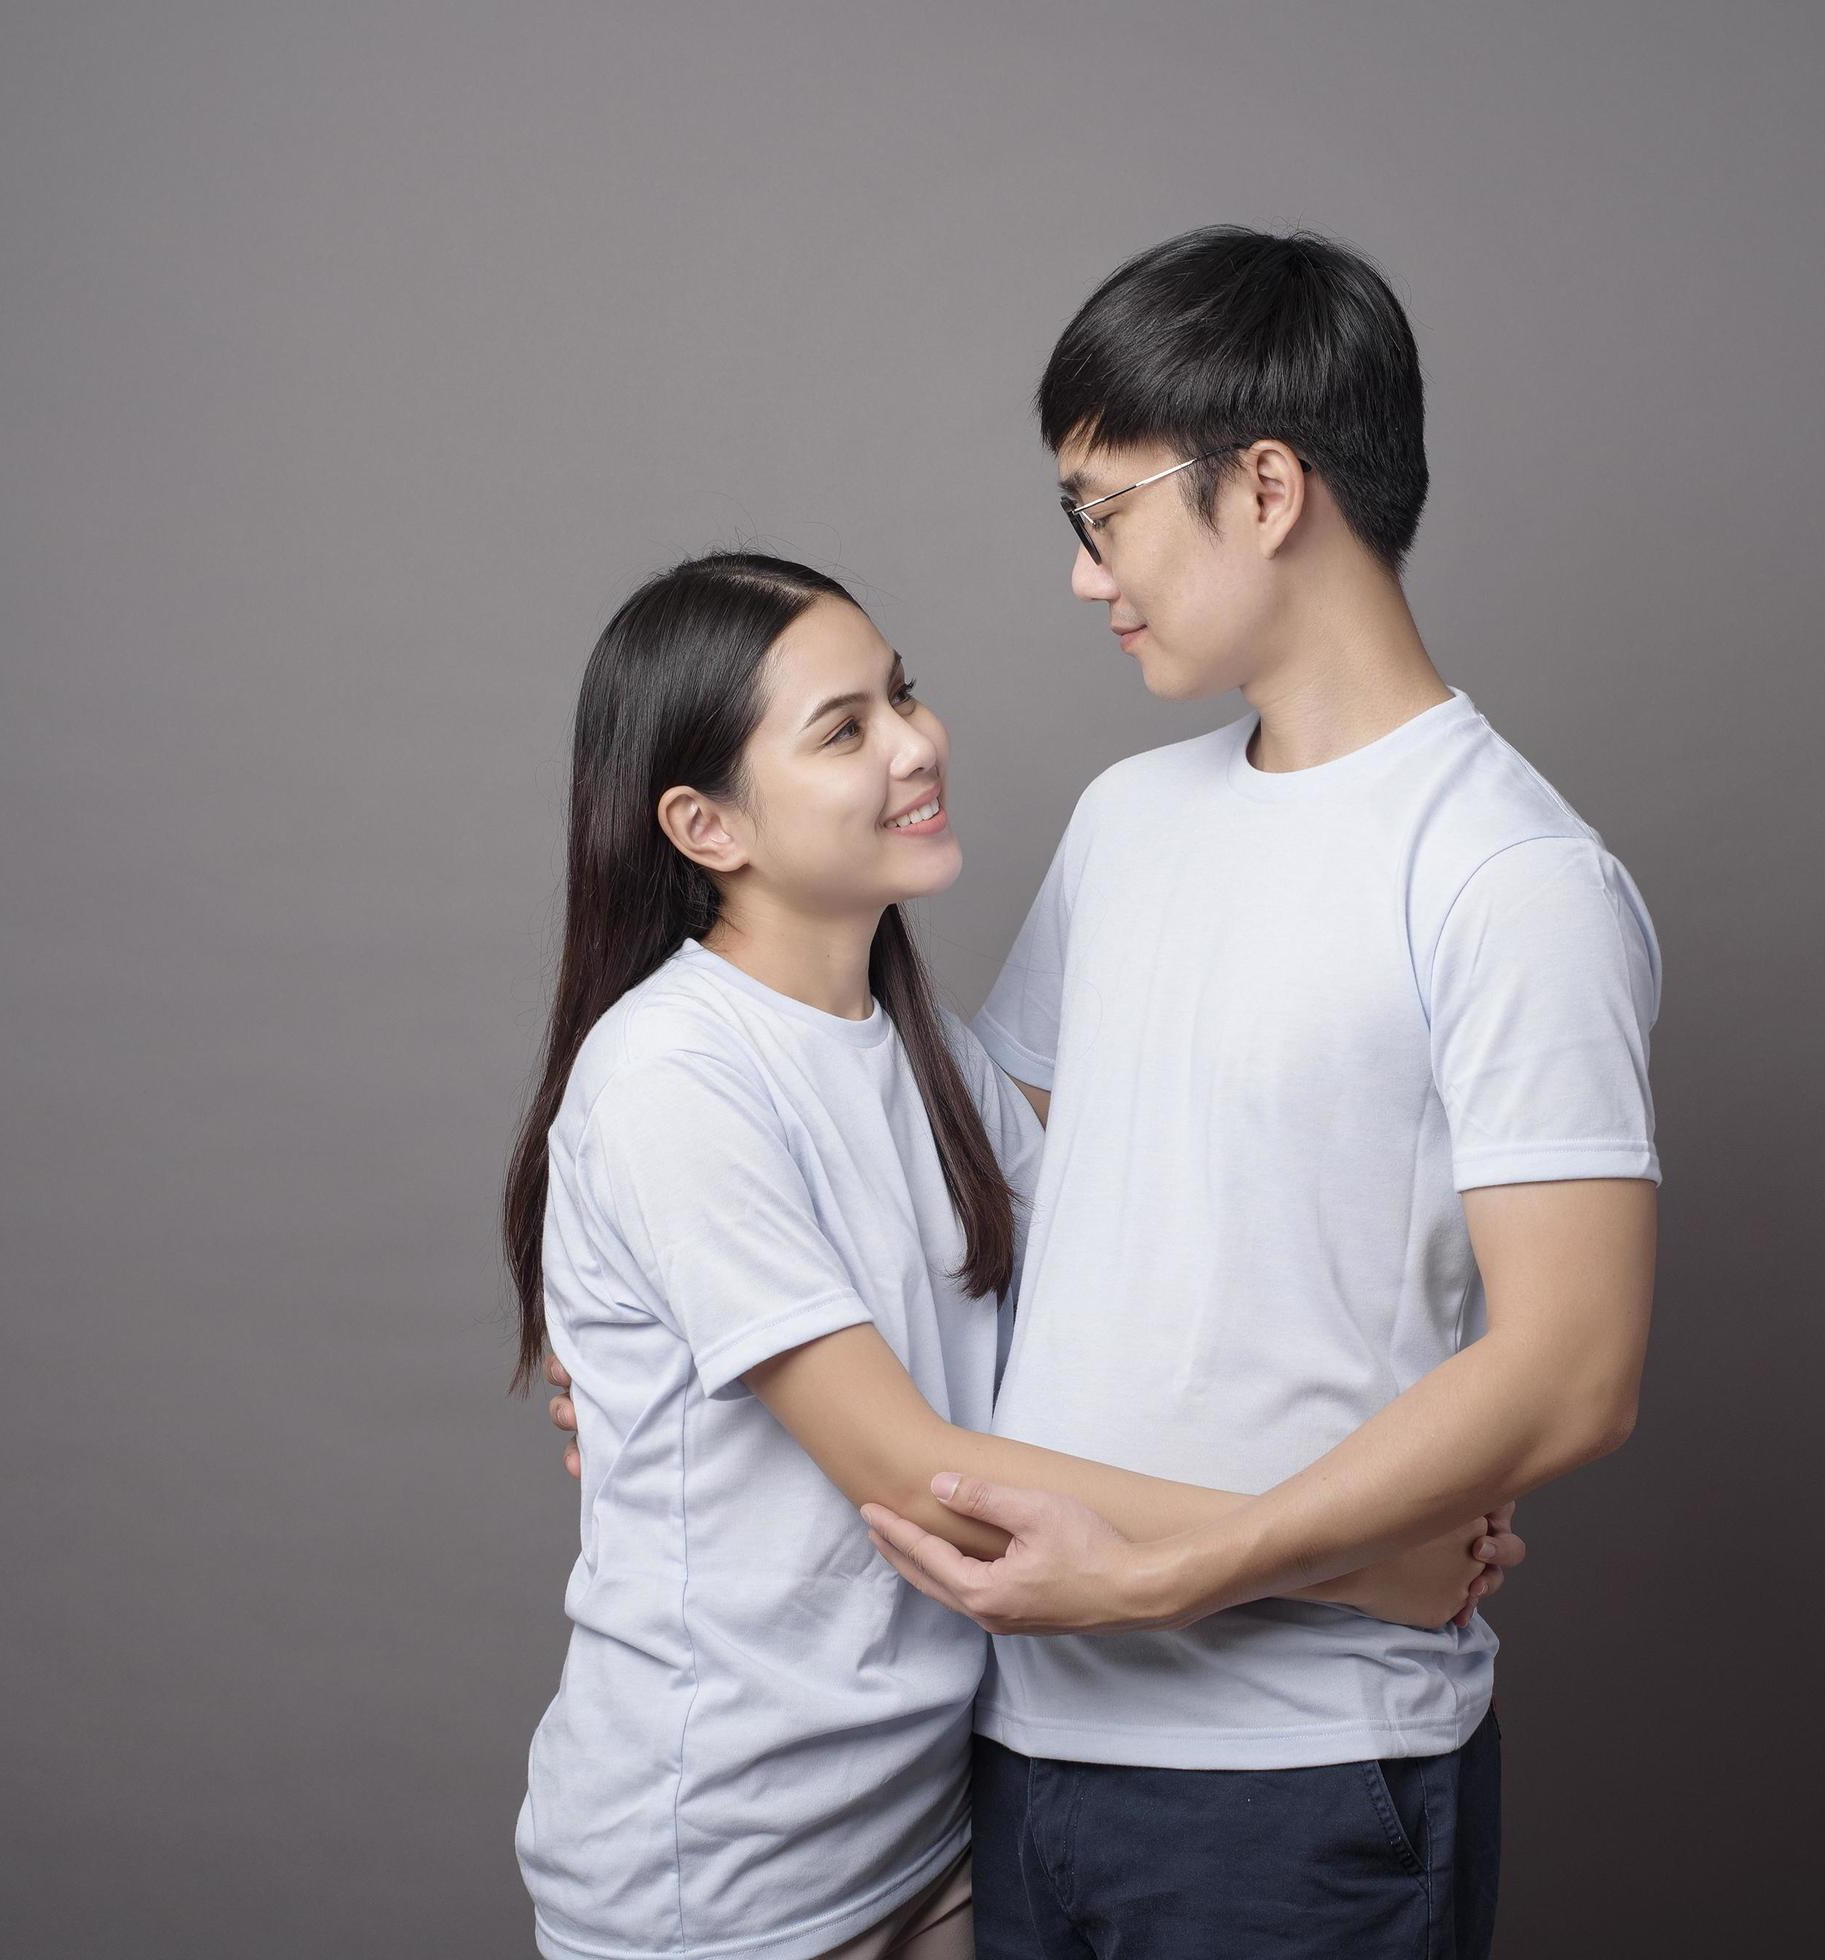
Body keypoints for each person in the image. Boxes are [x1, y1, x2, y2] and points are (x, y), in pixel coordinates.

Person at [503, 550, 1513, 1960]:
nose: (918, 743)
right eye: (844, 729)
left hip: (931, 1832)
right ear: (705, 824)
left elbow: (1120, 1282)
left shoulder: (935, 1064)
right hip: (723, 1877)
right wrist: (1357, 1562)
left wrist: (1399, 1462)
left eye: (902, 694)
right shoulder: (675, 1076)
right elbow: (919, 1476)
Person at [849, 226, 1663, 1956]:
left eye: (1104, 509)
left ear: (1269, 485)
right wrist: (657, 1323)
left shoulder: (1507, 874)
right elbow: (969, 1191)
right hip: (1023, 1742)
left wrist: (1159, 1578)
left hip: (1305, 1784)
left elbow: (1575, 1372)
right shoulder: (1128, 821)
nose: (1087, 574)